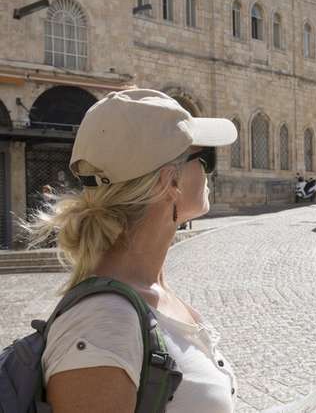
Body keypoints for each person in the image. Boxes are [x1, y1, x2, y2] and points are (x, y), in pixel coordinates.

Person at [26, 89, 239, 412]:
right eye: (204, 158)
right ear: (170, 182)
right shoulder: (103, 325)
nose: (210, 172)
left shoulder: (151, 290)